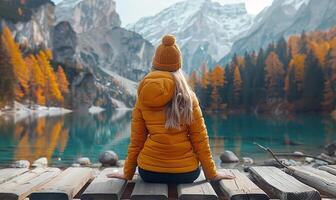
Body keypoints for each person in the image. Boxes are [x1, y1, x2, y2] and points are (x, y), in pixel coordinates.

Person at [107, 34, 235, 183]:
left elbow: (137, 140)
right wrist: (212, 174)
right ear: (178, 65)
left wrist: (127, 173)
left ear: (155, 63)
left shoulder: (143, 96)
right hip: (186, 173)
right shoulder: (189, 97)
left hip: (149, 172)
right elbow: (200, 140)